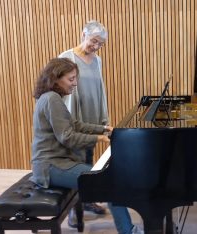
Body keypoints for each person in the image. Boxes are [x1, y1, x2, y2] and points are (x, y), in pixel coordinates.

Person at [29, 58, 143, 234]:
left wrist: (104, 128)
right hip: (50, 167)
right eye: (71, 79)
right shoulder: (52, 99)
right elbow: (67, 137)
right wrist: (100, 139)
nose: (75, 84)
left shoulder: (51, 98)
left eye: (75, 78)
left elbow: (75, 124)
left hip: (56, 163)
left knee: (108, 178)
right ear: (55, 78)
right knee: (110, 182)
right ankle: (129, 232)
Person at [59, 20, 109, 216]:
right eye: (93, 41)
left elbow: (100, 89)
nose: (95, 47)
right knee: (75, 163)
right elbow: (59, 92)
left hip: (92, 118)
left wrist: (102, 118)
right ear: (83, 35)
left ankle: (87, 201)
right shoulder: (66, 58)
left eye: (100, 44)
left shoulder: (97, 60)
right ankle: (73, 211)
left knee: (89, 160)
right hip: (75, 120)